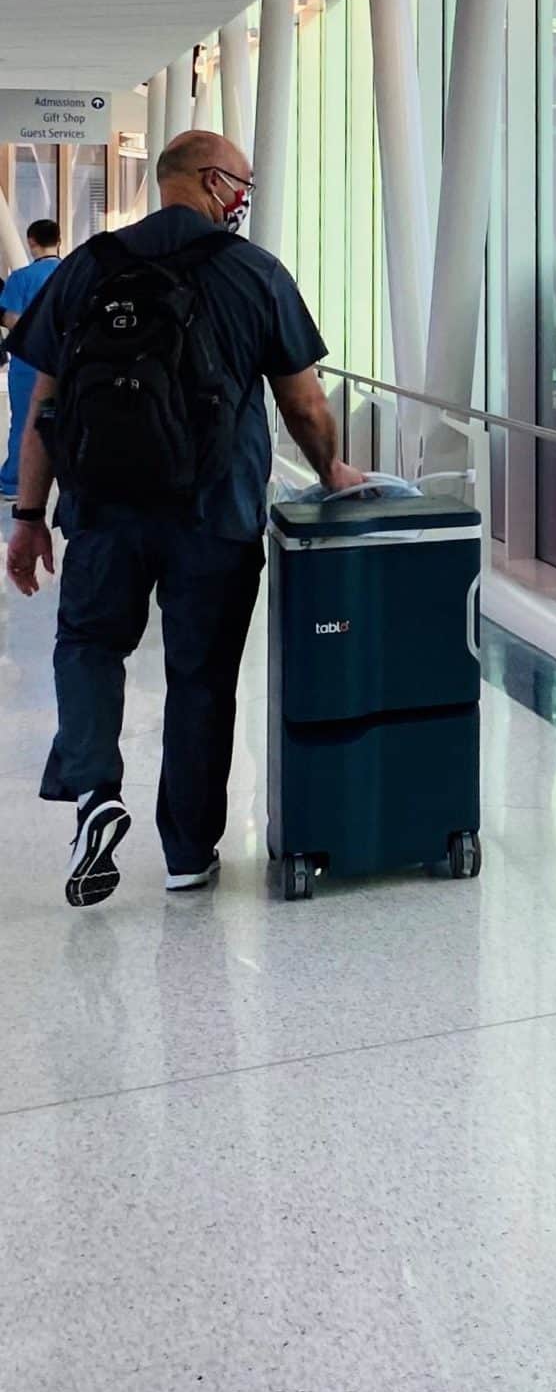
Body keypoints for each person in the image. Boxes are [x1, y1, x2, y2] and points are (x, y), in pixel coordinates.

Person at [2, 130, 364, 907]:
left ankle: (95, 789)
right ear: (209, 181)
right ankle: (187, 854)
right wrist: (333, 470)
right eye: (243, 183)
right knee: (201, 680)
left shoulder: (87, 266)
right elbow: (302, 399)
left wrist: (29, 516)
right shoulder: (253, 272)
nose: (245, 197)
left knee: (90, 645)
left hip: (102, 509)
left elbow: (46, 403)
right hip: (216, 513)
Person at [0, 217, 62, 499]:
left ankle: (14, 483)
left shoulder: (21, 278)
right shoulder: (72, 274)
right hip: (66, 361)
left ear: (31, 242)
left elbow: (13, 319)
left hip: (29, 365)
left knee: (25, 422)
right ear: (58, 241)